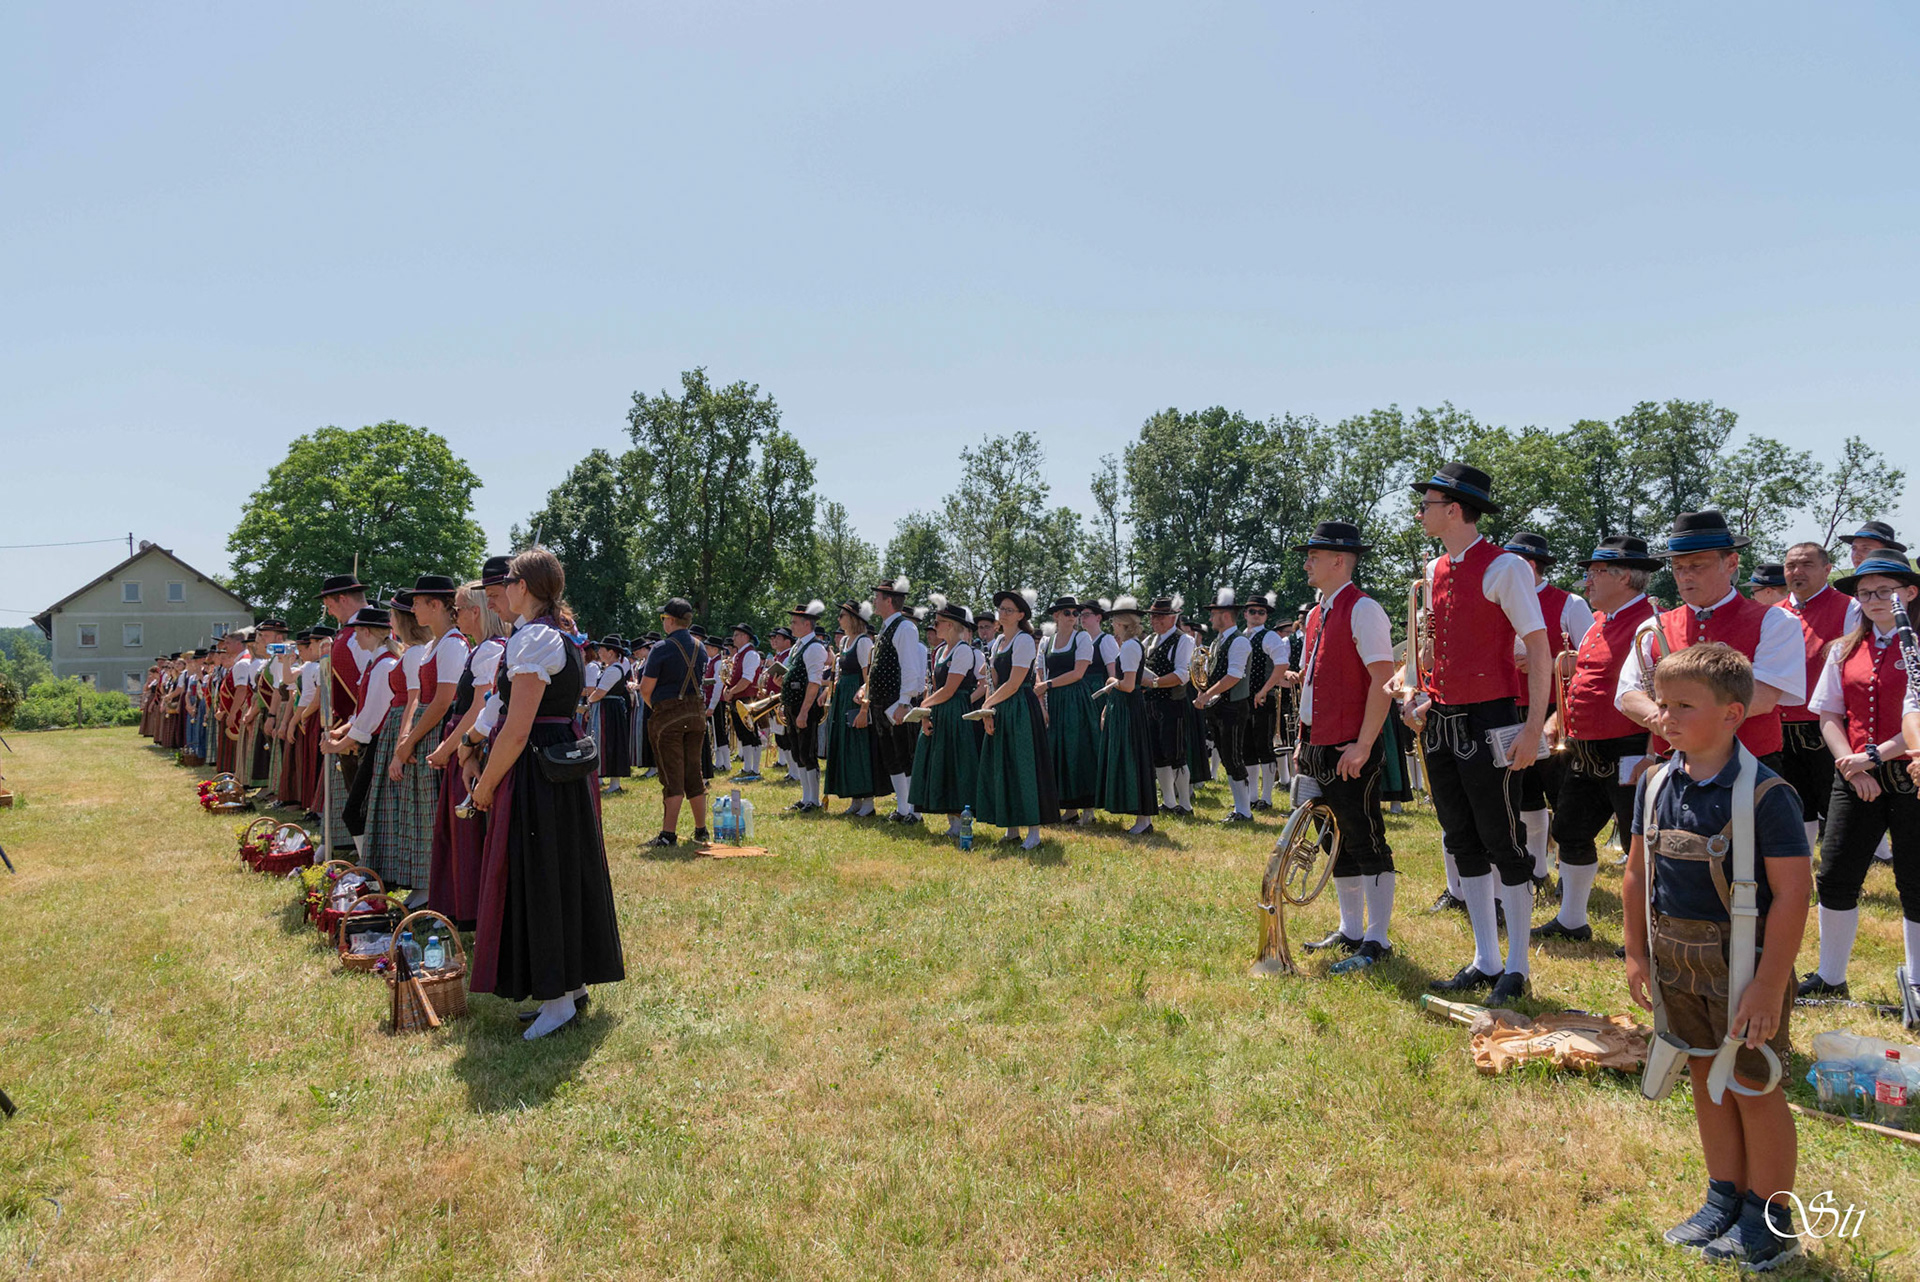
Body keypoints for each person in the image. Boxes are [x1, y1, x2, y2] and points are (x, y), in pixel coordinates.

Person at [1622, 643, 1809, 1269]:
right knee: (1704, 1074)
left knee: (1753, 1084)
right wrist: (1636, 953)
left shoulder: (1766, 795)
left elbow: (1793, 894)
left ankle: (1770, 1219)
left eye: (1684, 706)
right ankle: (1723, 1197)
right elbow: (1635, 873)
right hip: (1676, 962)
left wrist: (1768, 984)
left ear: (1733, 714)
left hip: (1745, 969)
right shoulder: (1654, 783)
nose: (1665, 717)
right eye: (1661, 703)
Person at [1398, 463, 1550, 1003]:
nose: (1421, 513)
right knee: (1460, 838)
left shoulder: (1505, 567)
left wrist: (1533, 728)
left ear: (1455, 510)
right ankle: (1486, 958)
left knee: (1502, 840)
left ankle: (1518, 966)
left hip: (1491, 719)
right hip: (1442, 719)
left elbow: (1539, 650)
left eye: (1427, 505)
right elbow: (1436, 651)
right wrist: (1418, 694)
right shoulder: (1435, 569)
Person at [467, 547, 625, 1040]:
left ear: (524, 587)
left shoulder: (535, 637)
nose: (502, 592)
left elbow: (517, 729)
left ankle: (558, 999)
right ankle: (569, 990)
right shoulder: (553, 632)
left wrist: (484, 786)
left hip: (538, 768)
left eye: (509, 582)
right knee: (560, 869)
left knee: (541, 874)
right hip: (556, 763)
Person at [1797, 556, 1920, 1001]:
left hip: (1911, 775)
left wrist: (1872, 757)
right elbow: (1829, 713)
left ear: (1909, 593)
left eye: (1884, 591)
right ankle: (1831, 978)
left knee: (1915, 881)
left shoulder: (1917, 647)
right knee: (1835, 874)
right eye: (1865, 593)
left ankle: (1917, 983)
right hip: (1853, 773)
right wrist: (1850, 764)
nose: (1873, 600)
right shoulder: (1844, 648)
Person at [1535, 536, 1660, 943]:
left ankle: (1648, 934)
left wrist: (1652, 753)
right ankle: (1572, 920)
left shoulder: (1651, 625)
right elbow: (1584, 682)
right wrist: (1557, 719)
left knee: (1640, 842)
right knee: (1570, 830)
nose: (1587, 580)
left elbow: (1660, 695)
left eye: (1595, 572)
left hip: (1630, 748)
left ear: (1624, 577)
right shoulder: (1599, 622)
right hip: (1586, 750)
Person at [1616, 511, 1806, 772]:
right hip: (1672, 764)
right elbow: (1627, 695)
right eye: (1678, 568)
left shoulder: (1776, 621)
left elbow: (1762, 697)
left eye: (1697, 566)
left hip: (1746, 764)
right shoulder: (1653, 626)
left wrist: (1680, 718)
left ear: (1731, 563)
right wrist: (1659, 718)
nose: (1685, 576)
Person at [1291, 522, 1399, 971]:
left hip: (1349, 746)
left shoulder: (1364, 609)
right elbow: (1311, 683)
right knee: (1333, 841)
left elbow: (1383, 679)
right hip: (1318, 744)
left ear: (1339, 561)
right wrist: (1302, 741)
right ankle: (1351, 928)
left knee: (1366, 838)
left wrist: (1364, 743)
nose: (1306, 564)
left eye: (1314, 556)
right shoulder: (1318, 612)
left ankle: (1377, 939)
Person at [1503, 532, 1596, 890]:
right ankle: (1537, 870)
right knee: (1524, 794)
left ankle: (1569, 874)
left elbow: (1592, 658)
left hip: (1557, 709)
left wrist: (1548, 662)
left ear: (1529, 566)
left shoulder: (1570, 603)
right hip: (1510, 706)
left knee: (1562, 796)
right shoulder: (1499, 600)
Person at [426, 582, 508, 928]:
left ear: (476, 612)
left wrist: (453, 748)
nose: (455, 614)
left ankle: (473, 908)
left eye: (458, 608)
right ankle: (461, 905)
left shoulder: (490, 650)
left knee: (468, 832)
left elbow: (479, 708)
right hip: (466, 741)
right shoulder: (482, 649)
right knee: (461, 832)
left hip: (473, 745)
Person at [361, 588, 446, 895]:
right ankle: (409, 878)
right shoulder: (414, 651)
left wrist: (402, 746)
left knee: (414, 812)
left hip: (408, 728)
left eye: (393, 615)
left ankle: (421, 883)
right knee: (405, 810)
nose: (391, 621)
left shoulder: (414, 654)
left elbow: (415, 699)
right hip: (402, 728)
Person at [1779, 541, 1852, 852]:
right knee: (1793, 801)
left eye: (1807, 565)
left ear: (1827, 569)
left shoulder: (1849, 607)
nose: (1797, 571)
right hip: (1780, 723)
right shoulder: (1773, 613)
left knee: (1835, 799)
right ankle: (1803, 862)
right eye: (1791, 566)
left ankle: (1846, 863)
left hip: (1826, 724)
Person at [974, 589, 1059, 848]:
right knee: (1005, 766)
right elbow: (992, 680)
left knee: (1024, 766)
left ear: (1021, 615)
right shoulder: (998, 641)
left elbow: (1014, 683)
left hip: (1021, 708)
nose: (1003, 613)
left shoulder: (1024, 641)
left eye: (1009, 610)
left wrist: (988, 703)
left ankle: (1034, 832)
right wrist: (987, 713)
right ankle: (1011, 829)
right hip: (1000, 707)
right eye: (1001, 609)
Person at [322, 605, 400, 862]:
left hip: (380, 744)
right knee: (362, 810)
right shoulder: (374, 663)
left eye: (357, 633)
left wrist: (339, 744)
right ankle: (369, 861)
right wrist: (342, 730)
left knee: (356, 810)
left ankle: (369, 863)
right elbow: (362, 710)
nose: (354, 638)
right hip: (372, 742)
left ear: (368, 632)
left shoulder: (385, 665)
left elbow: (372, 716)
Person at [640, 599, 711, 847]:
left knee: (672, 776)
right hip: (696, 715)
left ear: (670, 620)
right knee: (694, 771)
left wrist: (658, 708)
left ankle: (668, 834)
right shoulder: (701, 647)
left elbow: (646, 689)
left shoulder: (661, 648)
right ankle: (701, 829)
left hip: (669, 716)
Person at [909, 599, 981, 834]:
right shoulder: (940, 651)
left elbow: (950, 689)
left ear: (950, 625)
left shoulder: (963, 651)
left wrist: (923, 705)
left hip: (955, 711)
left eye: (939, 622)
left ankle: (961, 820)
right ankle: (951, 820)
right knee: (940, 762)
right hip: (939, 710)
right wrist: (925, 714)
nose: (935, 626)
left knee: (956, 762)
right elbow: (934, 687)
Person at [1089, 597, 1157, 835]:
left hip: (1128, 707)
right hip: (1126, 706)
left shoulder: (1129, 646)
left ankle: (1143, 819)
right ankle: (1142, 818)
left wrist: (1110, 681)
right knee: (1134, 757)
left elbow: (1128, 685)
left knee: (1133, 758)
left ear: (1121, 623)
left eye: (1114, 621)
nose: (1112, 626)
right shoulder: (1132, 645)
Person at [317, 572, 373, 851]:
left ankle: (368, 857)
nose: (328, 612)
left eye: (329, 605)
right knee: (355, 798)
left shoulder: (359, 635)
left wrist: (354, 731)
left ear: (342, 599)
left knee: (362, 802)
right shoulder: (349, 633)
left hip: (364, 729)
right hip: (352, 725)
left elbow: (370, 686)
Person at [1034, 596, 1099, 825]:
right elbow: (1039, 672)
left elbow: (1078, 673)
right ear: (1056, 615)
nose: (1072, 617)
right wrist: (1042, 702)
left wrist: (1048, 685)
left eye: (1075, 613)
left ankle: (1088, 809)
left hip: (1075, 701)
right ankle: (1069, 808)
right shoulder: (1046, 642)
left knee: (1079, 750)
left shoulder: (1082, 638)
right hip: (1054, 700)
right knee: (1058, 752)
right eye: (1067, 613)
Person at [867, 574, 926, 823]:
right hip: (882, 702)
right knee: (891, 756)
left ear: (889, 600)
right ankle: (902, 808)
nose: (874, 601)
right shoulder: (886, 627)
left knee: (906, 754)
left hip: (896, 702)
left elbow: (910, 668)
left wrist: (904, 702)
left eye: (877, 597)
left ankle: (915, 811)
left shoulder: (905, 627)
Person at [1194, 589, 1255, 823]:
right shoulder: (1218, 641)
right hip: (1220, 707)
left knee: (1233, 757)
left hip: (1233, 707)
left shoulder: (1239, 641)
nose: (1210, 618)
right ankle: (1240, 808)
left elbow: (1233, 676)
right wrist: (1203, 692)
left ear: (1226, 615)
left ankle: (1244, 811)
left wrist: (1206, 695)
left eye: (1214, 613)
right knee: (1228, 758)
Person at [1141, 597, 1196, 815]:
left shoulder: (1184, 640)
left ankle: (1186, 804)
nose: (1155, 620)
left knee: (1176, 755)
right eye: (1153, 616)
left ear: (1173, 617)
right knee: (1158, 755)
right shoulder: (1149, 641)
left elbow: (1182, 674)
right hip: (1151, 703)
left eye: (1160, 616)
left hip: (1173, 703)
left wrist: (1153, 682)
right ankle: (1169, 802)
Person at [824, 601, 880, 815]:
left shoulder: (864, 642)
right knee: (846, 747)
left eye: (842, 615)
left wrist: (865, 708)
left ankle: (868, 801)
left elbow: (868, 678)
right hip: (843, 698)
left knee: (859, 747)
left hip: (856, 699)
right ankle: (855, 798)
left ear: (854, 619)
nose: (839, 619)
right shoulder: (846, 641)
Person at [779, 601, 831, 811]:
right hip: (793, 705)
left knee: (807, 752)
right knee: (797, 751)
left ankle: (813, 799)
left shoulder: (814, 648)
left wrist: (803, 712)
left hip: (805, 707)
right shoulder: (797, 646)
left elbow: (814, 683)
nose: (791, 625)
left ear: (807, 624)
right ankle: (805, 796)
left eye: (795, 622)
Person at [1241, 592, 1288, 810]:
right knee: (1247, 748)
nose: (1257, 615)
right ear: (1245, 614)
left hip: (1263, 699)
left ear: (1266, 616)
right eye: (1253, 611)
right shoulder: (1242, 636)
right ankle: (1252, 796)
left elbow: (1282, 665)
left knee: (1264, 746)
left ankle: (1266, 797)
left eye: (1262, 612)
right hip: (1242, 699)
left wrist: (1264, 690)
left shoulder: (1270, 637)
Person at [587, 636, 633, 793]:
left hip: (610, 712)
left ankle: (614, 784)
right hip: (607, 710)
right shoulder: (609, 669)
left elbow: (600, 692)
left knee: (612, 742)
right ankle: (602, 778)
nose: (599, 652)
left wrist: (588, 703)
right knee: (606, 743)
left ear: (611, 652)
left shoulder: (614, 670)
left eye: (602, 649)